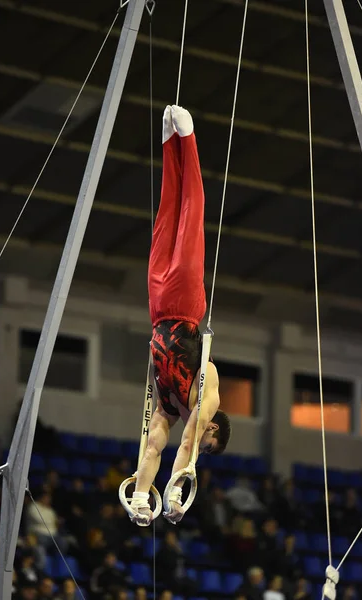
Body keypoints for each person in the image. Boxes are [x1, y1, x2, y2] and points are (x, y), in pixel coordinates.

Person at [129, 105, 231, 526]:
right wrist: (178, 483)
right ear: (214, 429)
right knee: (192, 212)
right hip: (186, 304)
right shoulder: (207, 397)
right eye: (211, 443)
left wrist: (141, 497)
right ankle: (187, 140)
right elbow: (189, 442)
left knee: (165, 214)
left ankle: (169, 140)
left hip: (156, 308)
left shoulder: (170, 407)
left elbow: (153, 446)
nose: (202, 446)